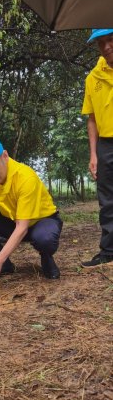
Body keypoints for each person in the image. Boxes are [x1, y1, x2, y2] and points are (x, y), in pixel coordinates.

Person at [0, 137, 63, 283]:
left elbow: (22, 227)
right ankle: (4, 267)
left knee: (45, 238)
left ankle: (46, 257)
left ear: (5, 156)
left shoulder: (25, 177)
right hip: (13, 221)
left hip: (40, 221)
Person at [81, 29, 113, 267]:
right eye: (101, 43)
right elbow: (91, 118)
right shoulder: (93, 78)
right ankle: (109, 250)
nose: (106, 47)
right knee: (107, 198)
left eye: (111, 40)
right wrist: (93, 153)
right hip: (105, 144)